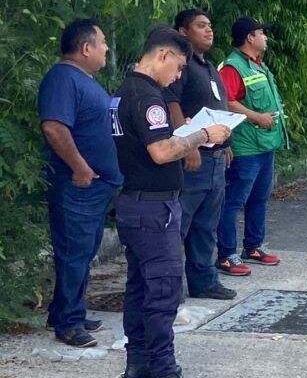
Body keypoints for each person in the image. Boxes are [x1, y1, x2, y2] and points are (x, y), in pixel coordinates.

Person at [112, 27, 231, 378]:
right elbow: (161, 152)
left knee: (138, 289)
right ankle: (163, 368)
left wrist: (185, 131)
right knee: (163, 293)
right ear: (162, 56)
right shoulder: (149, 98)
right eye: (178, 67)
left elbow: (148, 142)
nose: (178, 76)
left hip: (134, 203)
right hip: (154, 209)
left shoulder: (122, 92)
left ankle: (138, 363)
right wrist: (204, 135)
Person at [38, 19, 124, 348]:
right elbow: (55, 127)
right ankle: (69, 324)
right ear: (86, 48)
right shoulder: (63, 79)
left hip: (96, 187)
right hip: (78, 186)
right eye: (102, 43)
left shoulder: (84, 80)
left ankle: (65, 310)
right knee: (74, 253)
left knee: (83, 252)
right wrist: (80, 167)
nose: (106, 49)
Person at [165, 9, 248, 295]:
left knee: (206, 225)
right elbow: (172, 103)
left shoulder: (210, 67)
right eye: (201, 26)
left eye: (210, 25)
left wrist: (225, 145)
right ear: (183, 32)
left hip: (214, 158)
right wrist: (185, 143)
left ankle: (204, 281)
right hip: (192, 157)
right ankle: (169, 288)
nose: (209, 30)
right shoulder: (180, 66)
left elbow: (218, 110)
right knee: (181, 225)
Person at [216, 17, 287, 273]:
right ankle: (226, 254)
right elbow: (227, 102)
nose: (265, 38)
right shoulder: (232, 67)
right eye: (261, 33)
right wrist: (257, 117)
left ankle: (253, 246)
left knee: (259, 198)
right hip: (246, 147)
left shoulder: (257, 66)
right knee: (234, 201)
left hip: (265, 144)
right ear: (249, 38)